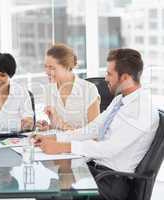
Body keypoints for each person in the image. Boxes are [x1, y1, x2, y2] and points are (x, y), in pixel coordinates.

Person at [35, 48, 160, 200]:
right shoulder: (120, 100)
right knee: (47, 183)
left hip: (112, 181)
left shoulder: (141, 110)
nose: (105, 78)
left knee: (51, 193)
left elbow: (108, 149)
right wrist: (56, 139)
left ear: (125, 77)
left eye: (109, 74)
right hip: (98, 170)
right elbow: (92, 129)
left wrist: (63, 146)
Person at [37, 44, 100, 132]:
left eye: (52, 68)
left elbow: (94, 133)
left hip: (82, 144)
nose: (47, 72)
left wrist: (63, 126)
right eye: (46, 67)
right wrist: (50, 127)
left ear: (67, 67)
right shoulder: (48, 90)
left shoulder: (89, 90)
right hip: (58, 142)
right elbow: (58, 126)